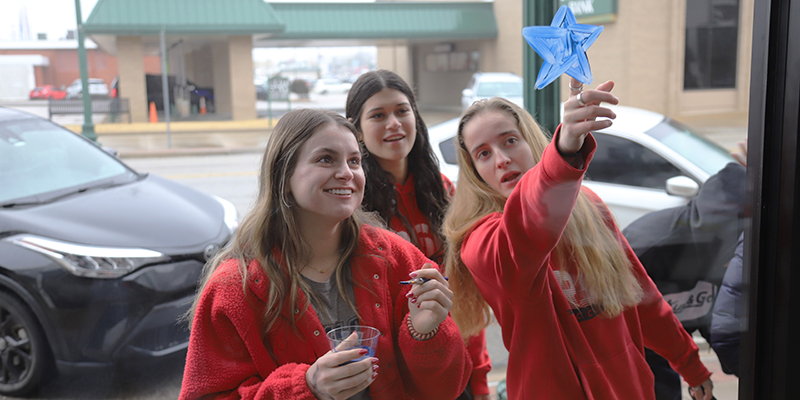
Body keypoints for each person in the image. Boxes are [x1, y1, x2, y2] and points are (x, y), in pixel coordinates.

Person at [442, 79, 715, 400]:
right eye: (484, 154)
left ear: (530, 140)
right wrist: (565, 150)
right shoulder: (481, 242)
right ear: (474, 173)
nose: (501, 159)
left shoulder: (588, 205)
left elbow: (641, 297)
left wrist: (691, 365)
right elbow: (527, 227)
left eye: (510, 141)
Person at [179, 108, 472, 400]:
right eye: (326, 159)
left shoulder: (398, 260)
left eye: (354, 161)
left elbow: (449, 388)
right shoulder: (234, 287)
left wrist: (425, 334)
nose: (346, 173)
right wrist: (307, 387)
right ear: (285, 173)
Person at [345, 69, 492, 400]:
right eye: (378, 115)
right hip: (389, 376)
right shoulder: (350, 206)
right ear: (356, 131)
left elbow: (465, 291)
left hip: (451, 365)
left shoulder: (443, 191)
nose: (394, 123)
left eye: (401, 111)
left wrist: (479, 374)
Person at [622, 157, 746, 399]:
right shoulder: (648, 247)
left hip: (674, 350)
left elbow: (716, 316)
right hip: (633, 351)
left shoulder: (725, 251)